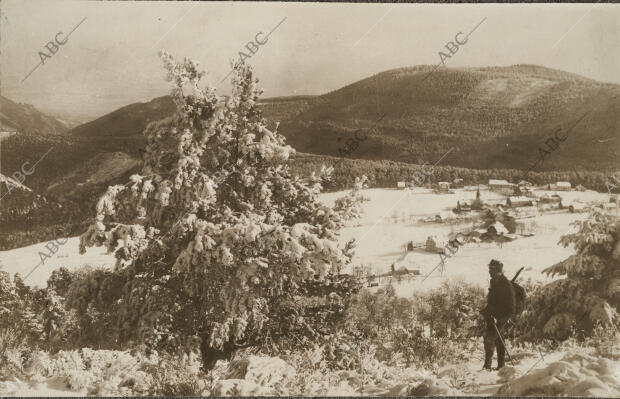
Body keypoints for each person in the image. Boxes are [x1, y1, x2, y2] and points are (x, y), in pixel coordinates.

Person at [481, 259, 516, 370]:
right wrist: (487, 310)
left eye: (491, 269)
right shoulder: (494, 281)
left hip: (501, 317)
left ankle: (487, 366)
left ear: (497, 270)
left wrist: (500, 319)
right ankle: (501, 366)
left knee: (489, 338)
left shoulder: (505, 284)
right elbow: (493, 301)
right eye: (489, 269)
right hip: (492, 317)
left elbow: (511, 307)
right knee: (499, 340)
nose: (489, 271)